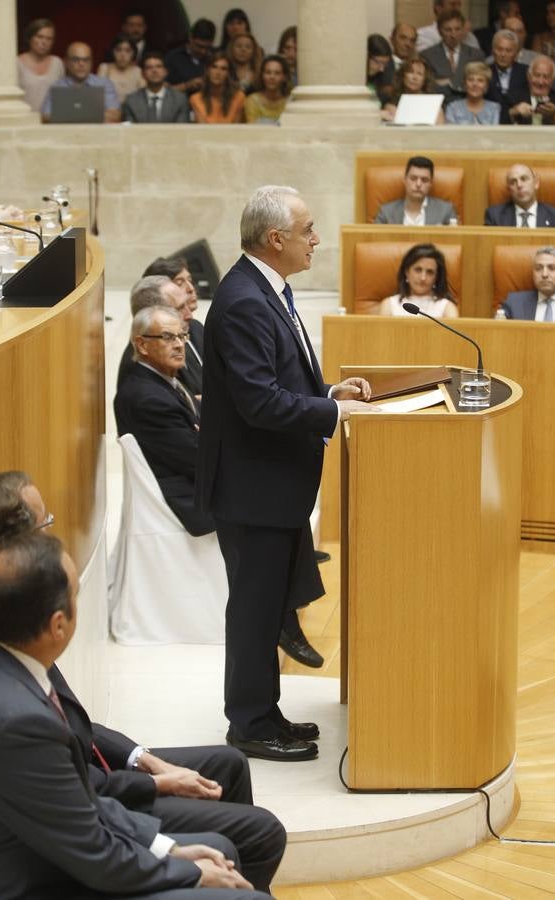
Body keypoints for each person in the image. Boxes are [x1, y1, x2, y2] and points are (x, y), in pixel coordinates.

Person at [0, 470, 286, 894]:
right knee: (223, 861)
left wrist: (163, 839)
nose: (51, 531)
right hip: (34, 875)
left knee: (220, 829)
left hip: (64, 829)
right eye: (45, 525)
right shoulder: (14, 716)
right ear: (57, 625)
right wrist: (186, 866)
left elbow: (79, 795)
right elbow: (87, 834)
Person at [196, 185, 378, 761]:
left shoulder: (266, 288)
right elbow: (258, 402)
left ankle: (265, 712)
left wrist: (326, 391)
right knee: (254, 611)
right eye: (309, 230)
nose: (317, 239)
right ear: (276, 240)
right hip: (253, 489)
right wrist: (333, 411)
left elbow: (279, 380)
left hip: (271, 486)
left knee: (270, 606)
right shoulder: (246, 299)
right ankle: (249, 725)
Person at [115, 306, 215, 537]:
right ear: (141, 344)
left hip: (194, 482)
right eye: (168, 337)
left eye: (182, 336)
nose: (180, 345)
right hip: (187, 499)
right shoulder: (148, 399)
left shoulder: (165, 381)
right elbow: (198, 460)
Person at [116, 275, 201, 396]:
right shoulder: (143, 371)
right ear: (153, 314)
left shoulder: (181, 335)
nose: (189, 315)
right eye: (179, 308)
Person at [41, 42, 120, 123]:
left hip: (97, 133)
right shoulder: (57, 87)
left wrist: (67, 116)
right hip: (66, 134)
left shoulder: (105, 84)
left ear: (91, 62)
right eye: (75, 60)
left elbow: (115, 115)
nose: (81, 64)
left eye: (86, 60)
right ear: (66, 62)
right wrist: (92, 115)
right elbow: (45, 116)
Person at [379, 243, 458, 318]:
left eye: (430, 272)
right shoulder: (389, 305)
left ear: (437, 277)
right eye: (418, 270)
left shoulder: (447, 308)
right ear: (406, 272)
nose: (423, 278)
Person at [374, 156, 458, 226]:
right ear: (405, 180)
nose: (418, 184)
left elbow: (455, 241)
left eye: (424, 180)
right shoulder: (386, 212)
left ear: (431, 184)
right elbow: (376, 242)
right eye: (413, 178)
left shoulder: (446, 211)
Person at [421, 10, 485, 100]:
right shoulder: (427, 55)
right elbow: (428, 87)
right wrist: (462, 81)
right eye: (448, 30)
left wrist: (448, 81)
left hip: (468, 106)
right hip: (439, 107)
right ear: (439, 31)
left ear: (463, 29)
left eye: (457, 29)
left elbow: (480, 86)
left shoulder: (476, 55)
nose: (453, 34)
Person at [485, 163, 555, 227]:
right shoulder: (495, 216)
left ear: (536, 183)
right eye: (513, 182)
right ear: (509, 189)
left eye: (524, 179)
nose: (519, 185)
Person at [123, 52, 190, 123]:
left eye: (158, 66)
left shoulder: (179, 100)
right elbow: (129, 131)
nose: (154, 70)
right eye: (149, 67)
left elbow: (182, 130)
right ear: (143, 74)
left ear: (165, 72)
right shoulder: (131, 101)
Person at [16, 17, 65, 113]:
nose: (44, 42)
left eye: (49, 39)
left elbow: (62, 95)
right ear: (30, 38)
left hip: (51, 122)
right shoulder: (17, 63)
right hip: (25, 120)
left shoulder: (57, 63)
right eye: (40, 37)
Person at [502, 246, 555, 320]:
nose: (544, 274)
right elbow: (497, 329)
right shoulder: (514, 302)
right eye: (538, 269)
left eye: (552, 268)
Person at [485, 28, 529, 123]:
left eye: (508, 51)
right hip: (491, 125)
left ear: (516, 53)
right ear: (493, 50)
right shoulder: (484, 72)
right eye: (499, 49)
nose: (503, 54)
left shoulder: (526, 72)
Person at [381, 57, 443, 122]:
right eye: (411, 72)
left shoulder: (434, 106)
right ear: (402, 75)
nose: (415, 77)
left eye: (419, 74)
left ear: (425, 79)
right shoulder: (391, 105)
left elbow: (441, 130)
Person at [190, 52, 246, 123]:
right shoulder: (196, 99)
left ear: (228, 74)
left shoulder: (239, 97)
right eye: (214, 67)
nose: (218, 72)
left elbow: (236, 130)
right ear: (207, 70)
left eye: (223, 69)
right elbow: (202, 131)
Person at [165, 19, 216, 96]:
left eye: (207, 47)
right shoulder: (173, 57)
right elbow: (162, 91)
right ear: (190, 38)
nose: (203, 51)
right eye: (199, 46)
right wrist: (187, 86)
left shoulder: (215, 58)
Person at [508, 55, 555, 124]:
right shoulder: (513, 96)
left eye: (546, 77)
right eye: (537, 75)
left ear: (552, 79)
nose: (540, 82)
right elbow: (499, 122)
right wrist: (514, 111)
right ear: (529, 76)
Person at [416, 0, 480, 53]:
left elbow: (478, 64)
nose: (457, 9)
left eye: (459, 5)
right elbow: (429, 60)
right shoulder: (423, 34)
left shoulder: (469, 36)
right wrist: (459, 38)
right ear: (439, 8)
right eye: (453, 4)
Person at [98, 33, 144, 104]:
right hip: (108, 111)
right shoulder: (104, 68)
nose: (123, 55)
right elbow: (98, 96)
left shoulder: (138, 71)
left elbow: (144, 98)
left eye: (127, 51)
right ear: (113, 51)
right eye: (118, 50)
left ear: (134, 53)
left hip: (131, 113)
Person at [244, 55, 291, 124]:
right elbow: (252, 129)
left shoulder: (290, 102)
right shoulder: (252, 101)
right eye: (268, 72)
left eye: (277, 73)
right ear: (262, 75)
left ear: (284, 77)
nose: (272, 77)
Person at [366, 34, 395, 103]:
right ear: (366, 56)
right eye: (378, 62)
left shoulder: (387, 66)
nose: (382, 69)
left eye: (385, 64)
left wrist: (387, 105)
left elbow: (386, 96)